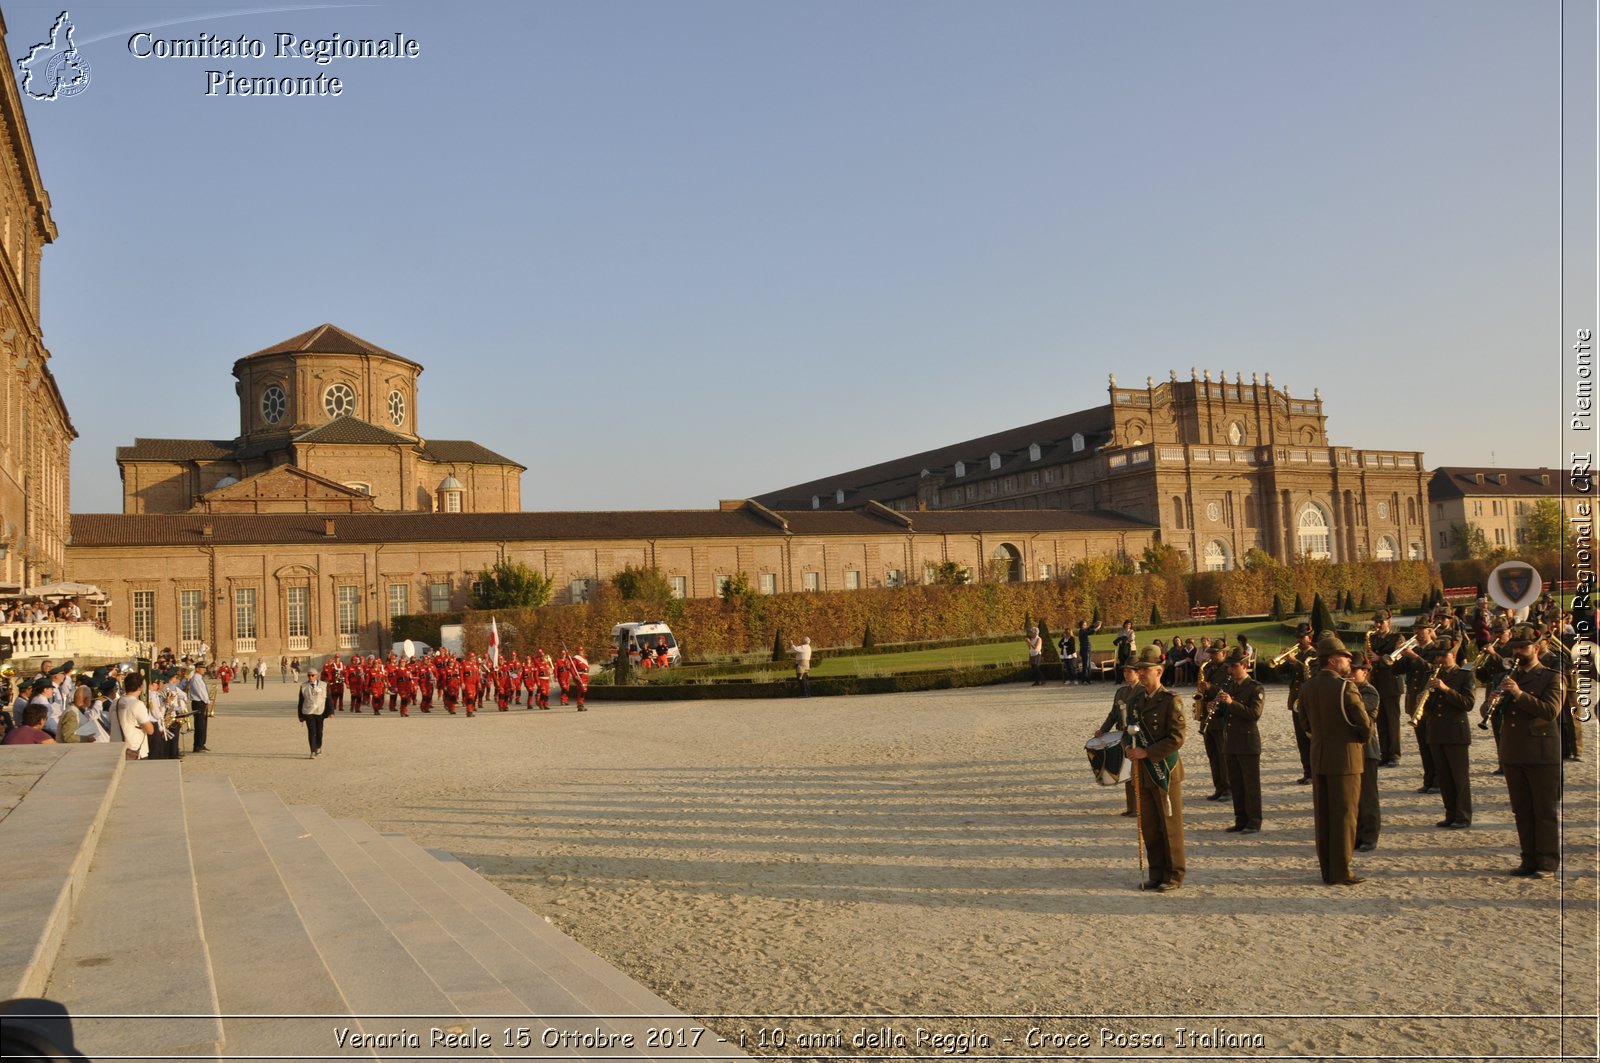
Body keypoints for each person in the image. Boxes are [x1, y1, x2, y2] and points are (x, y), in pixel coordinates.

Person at [1298, 635, 1373, 885]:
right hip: (1345, 758)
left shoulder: (1307, 687)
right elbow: (1365, 726)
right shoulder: (1345, 687)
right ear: (1332, 660)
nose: (1349, 662)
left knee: (1324, 816)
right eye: (1345, 658)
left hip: (1319, 756)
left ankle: (1327, 869)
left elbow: (1305, 724)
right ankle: (1341, 871)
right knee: (1344, 816)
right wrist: (1360, 738)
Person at [1496, 624, 1566, 878]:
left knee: (1543, 810)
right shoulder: (1507, 676)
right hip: (1513, 752)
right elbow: (1485, 713)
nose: (1518, 652)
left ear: (1536, 648)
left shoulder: (1551, 676)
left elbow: (1550, 711)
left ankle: (1546, 863)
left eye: (1523, 647)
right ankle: (1528, 859)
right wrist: (1495, 699)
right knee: (1522, 810)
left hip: (1541, 752)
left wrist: (1517, 693)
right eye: (1515, 648)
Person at [1121, 645, 1186, 891]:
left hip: (1165, 772)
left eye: (1145, 669)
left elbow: (1176, 738)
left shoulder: (1171, 700)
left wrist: (1147, 751)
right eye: (1139, 669)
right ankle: (1156, 873)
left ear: (1158, 671)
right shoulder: (1136, 699)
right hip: (1143, 772)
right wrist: (1128, 747)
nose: (1141, 673)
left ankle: (1174, 875)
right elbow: (1128, 730)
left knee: (1169, 825)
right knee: (1149, 826)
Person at [1420, 639, 1475, 829]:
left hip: (1456, 732)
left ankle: (1463, 816)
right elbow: (1430, 707)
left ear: (1453, 654)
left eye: (1443, 655)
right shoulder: (1431, 675)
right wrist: (1423, 699)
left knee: (1459, 778)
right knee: (1443, 777)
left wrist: (1445, 689)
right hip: (1436, 731)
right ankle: (1450, 814)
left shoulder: (1464, 675)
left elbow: (1468, 703)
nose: (1439, 659)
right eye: (1437, 656)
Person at [1217, 648, 1264, 833]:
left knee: (1250, 785)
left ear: (1245, 665)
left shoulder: (1255, 687)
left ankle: (1254, 821)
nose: (1230, 670)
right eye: (1229, 667)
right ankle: (1240, 819)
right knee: (1236, 783)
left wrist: (1231, 703)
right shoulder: (1230, 687)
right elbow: (1224, 714)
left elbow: (1254, 714)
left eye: (1234, 666)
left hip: (1248, 742)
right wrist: (1216, 707)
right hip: (1231, 742)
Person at [1095, 663, 1143, 816]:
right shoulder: (1121, 692)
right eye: (1125, 671)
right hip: (1124, 736)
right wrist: (1103, 730)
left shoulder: (1142, 691)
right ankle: (1132, 807)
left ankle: (1140, 807)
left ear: (1137, 673)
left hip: (1138, 736)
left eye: (1130, 672)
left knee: (1138, 773)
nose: (1126, 674)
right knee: (1129, 772)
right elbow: (1113, 714)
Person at [1348, 655, 1383, 852]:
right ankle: (1357, 835)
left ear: (1365, 672)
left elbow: (1357, 711)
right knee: (1353, 796)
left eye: (1355, 670)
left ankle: (1370, 836)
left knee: (1368, 796)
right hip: (1350, 748)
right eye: (1350, 670)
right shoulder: (1348, 689)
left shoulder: (1369, 692)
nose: (1351, 674)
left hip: (1367, 748)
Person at [1367, 612, 1406, 766]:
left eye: (1380, 622)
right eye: (1376, 622)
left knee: (1392, 721)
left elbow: (1397, 657)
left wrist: (1379, 658)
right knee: (1381, 721)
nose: (1377, 625)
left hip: (1391, 684)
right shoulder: (1373, 638)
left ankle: (1395, 754)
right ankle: (1384, 754)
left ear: (1388, 622)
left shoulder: (1397, 638)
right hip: (1377, 683)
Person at [1195, 642, 1231, 802]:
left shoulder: (1228, 670)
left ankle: (1227, 789)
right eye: (1210, 653)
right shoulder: (1208, 669)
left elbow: (1228, 692)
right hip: (1207, 718)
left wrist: (1210, 687)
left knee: (1223, 756)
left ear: (1224, 653)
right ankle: (1218, 787)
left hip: (1220, 718)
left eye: (1215, 653)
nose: (1211, 656)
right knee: (1212, 755)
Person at [116, 674, 155, 761]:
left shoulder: (114, 703)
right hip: (135, 750)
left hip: (117, 748)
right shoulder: (137, 704)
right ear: (140, 687)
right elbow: (150, 730)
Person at [297, 669, 329, 759]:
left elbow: (328, 699)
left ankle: (318, 746)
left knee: (319, 731)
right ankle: (313, 750)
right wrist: (300, 715)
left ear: (316, 676)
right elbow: (301, 701)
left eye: (312, 675)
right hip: (308, 711)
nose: (310, 677)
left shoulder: (324, 685)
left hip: (320, 711)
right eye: (309, 675)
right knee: (311, 731)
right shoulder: (303, 686)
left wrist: (330, 712)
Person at [187, 663, 213, 752]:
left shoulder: (199, 678)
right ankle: (197, 745)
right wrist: (207, 701)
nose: (204, 669)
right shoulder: (196, 679)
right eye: (202, 668)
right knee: (199, 725)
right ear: (197, 669)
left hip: (202, 702)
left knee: (203, 724)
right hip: (198, 702)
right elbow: (200, 692)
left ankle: (201, 743)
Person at [1076, 618, 1102, 684]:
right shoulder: (1081, 631)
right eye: (1084, 625)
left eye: (1086, 625)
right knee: (1085, 665)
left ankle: (1088, 679)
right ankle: (1084, 680)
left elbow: (1088, 628)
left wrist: (1094, 624)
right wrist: (1098, 627)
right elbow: (1090, 631)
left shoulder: (1084, 630)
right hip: (1085, 650)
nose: (1086, 626)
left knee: (1089, 665)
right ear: (1081, 626)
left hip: (1088, 649)